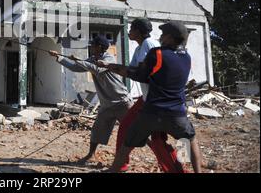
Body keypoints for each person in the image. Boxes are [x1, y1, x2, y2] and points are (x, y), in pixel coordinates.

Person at [98, 21, 202, 173]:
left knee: (128, 141)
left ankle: (114, 170)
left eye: (164, 34)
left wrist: (113, 67)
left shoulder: (157, 53)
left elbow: (139, 75)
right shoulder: (187, 57)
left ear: (171, 38)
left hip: (152, 111)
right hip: (177, 113)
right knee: (189, 140)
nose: (161, 37)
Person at [115, 18, 186, 173]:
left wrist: (116, 68)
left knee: (156, 139)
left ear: (139, 31)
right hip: (148, 98)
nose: (129, 32)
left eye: (132, 29)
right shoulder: (140, 47)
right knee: (152, 137)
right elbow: (132, 69)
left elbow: (141, 73)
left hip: (155, 101)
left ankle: (177, 169)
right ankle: (120, 165)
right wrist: (111, 67)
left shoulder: (149, 45)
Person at [49, 35, 133, 165]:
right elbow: (76, 67)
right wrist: (59, 58)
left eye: (93, 45)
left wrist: (78, 59)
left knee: (134, 130)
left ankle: (155, 151)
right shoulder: (93, 59)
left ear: (99, 47)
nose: (90, 47)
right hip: (106, 104)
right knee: (97, 131)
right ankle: (91, 155)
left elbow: (97, 69)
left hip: (122, 102)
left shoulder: (109, 59)